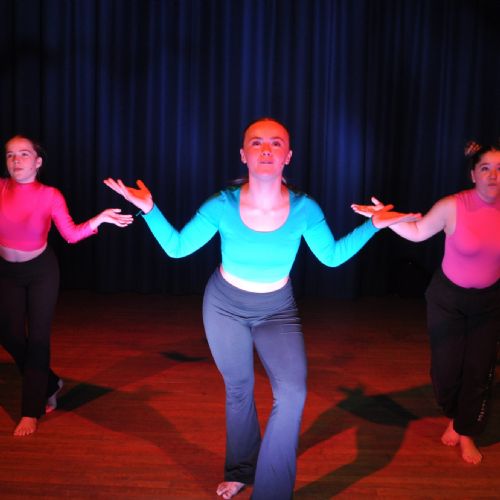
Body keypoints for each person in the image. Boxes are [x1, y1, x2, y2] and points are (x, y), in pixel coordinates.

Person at [104, 117, 420, 499]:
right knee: (239, 389)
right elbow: (177, 248)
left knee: (293, 394)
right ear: (243, 155)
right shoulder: (221, 205)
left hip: (277, 309)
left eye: (275, 143)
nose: (266, 149)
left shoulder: (305, 209)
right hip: (224, 306)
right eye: (256, 142)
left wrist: (374, 226)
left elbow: (332, 257)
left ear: (289, 156)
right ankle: (240, 470)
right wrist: (150, 209)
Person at [353, 139, 500, 465]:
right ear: (473, 174)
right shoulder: (453, 206)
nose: (493, 175)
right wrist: (385, 218)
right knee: (446, 372)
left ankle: (465, 430)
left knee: (478, 371)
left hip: (489, 303)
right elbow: (418, 231)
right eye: (485, 168)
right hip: (448, 299)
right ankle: (455, 413)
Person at [0, 135, 133, 437]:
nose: (16, 160)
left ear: (38, 162)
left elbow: (71, 235)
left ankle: (31, 410)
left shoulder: (50, 195)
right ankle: (49, 383)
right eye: (10, 155)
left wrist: (100, 219)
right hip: (7, 272)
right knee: (9, 334)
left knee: (38, 340)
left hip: (41, 271)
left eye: (24, 154)